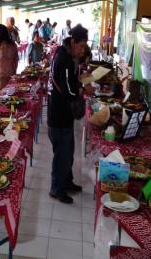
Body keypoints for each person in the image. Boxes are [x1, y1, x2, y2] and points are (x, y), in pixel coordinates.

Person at [47, 24, 92, 204]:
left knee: (68, 151)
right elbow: (68, 92)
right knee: (61, 154)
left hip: (63, 114)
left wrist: (80, 80)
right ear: (73, 42)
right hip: (58, 114)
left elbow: (69, 81)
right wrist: (82, 88)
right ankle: (56, 189)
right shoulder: (64, 59)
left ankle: (67, 182)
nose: (82, 50)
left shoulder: (67, 54)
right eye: (81, 46)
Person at [0, 24, 19, 92]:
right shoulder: (13, 45)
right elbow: (16, 60)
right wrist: (14, 71)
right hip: (11, 74)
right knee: (9, 96)